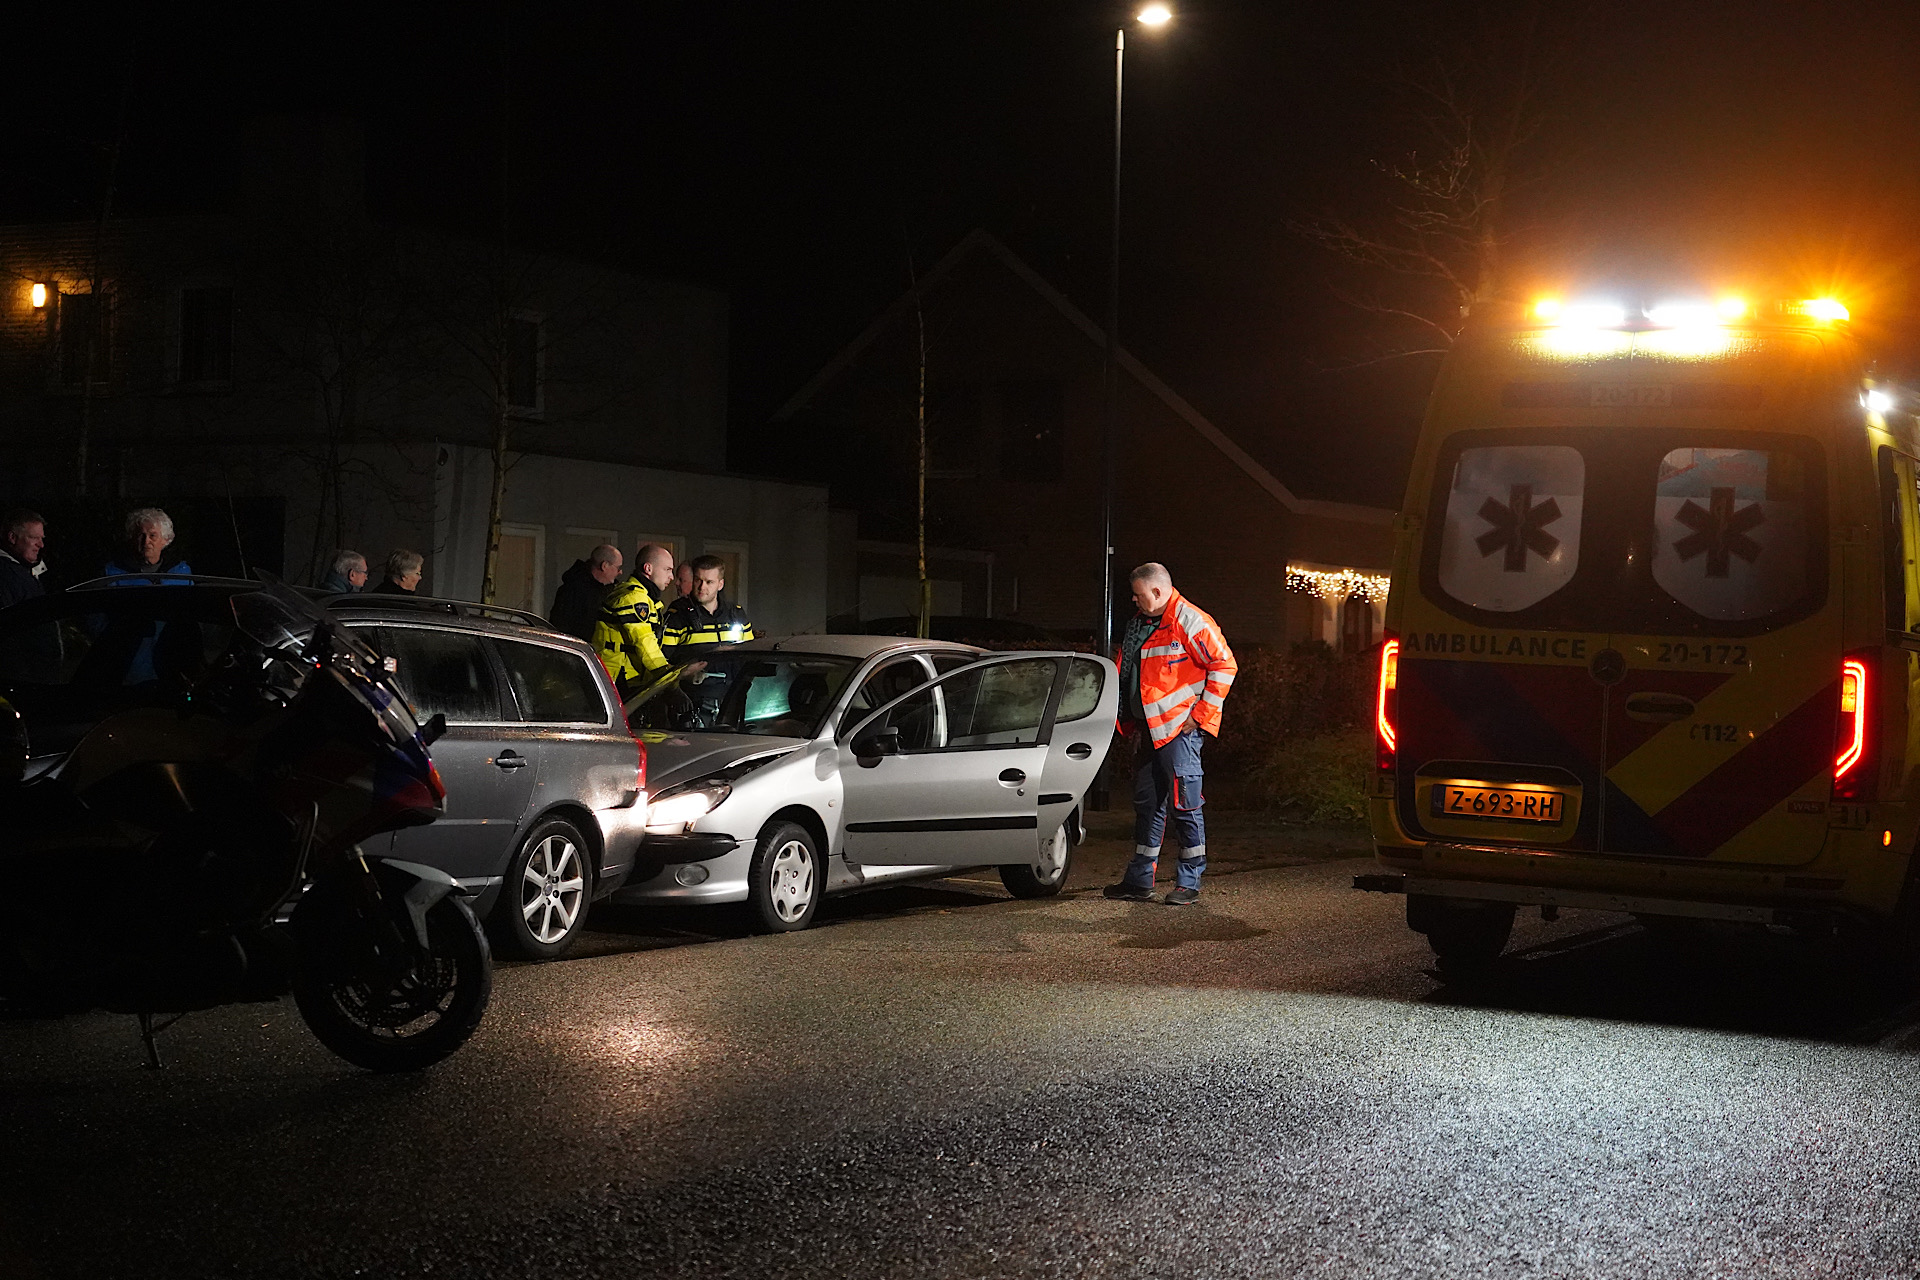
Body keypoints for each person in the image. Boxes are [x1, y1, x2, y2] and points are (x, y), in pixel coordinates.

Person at [1103, 562, 1237, 907]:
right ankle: (1139, 881)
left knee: (1185, 805)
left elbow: (1225, 665)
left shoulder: (1190, 620)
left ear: (1157, 591)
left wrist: (1200, 716)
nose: (1134, 600)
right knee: (1148, 805)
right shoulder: (1143, 623)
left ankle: (1188, 881)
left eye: (1138, 594)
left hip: (1178, 731)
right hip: (1151, 729)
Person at [591, 542, 676, 699]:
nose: (671, 576)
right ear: (648, 569)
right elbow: (645, 643)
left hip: (621, 679)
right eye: (667, 570)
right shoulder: (634, 598)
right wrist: (669, 680)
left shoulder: (639, 596)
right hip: (618, 680)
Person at [662, 555, 755, 654]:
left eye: (709, 582)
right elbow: (663, 660)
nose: (702, 587)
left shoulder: (736, 614)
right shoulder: (678, 615)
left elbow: (751, 655)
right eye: (698, 580)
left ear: (720, 584)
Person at [551, 543, 623, 641]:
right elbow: (560, 627)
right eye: (618, 568)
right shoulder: (572, 591)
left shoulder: (612, 591)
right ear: (604, 566)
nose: (620, 572)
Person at [104, 507, 190, 584]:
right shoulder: (113, 573)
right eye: (140, 535)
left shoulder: (181, 572)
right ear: (132, 538)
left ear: (165, 539)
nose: (146, 541)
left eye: (152, 535)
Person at [0, 510, 48, 610]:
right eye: (34, 538)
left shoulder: (25, 569)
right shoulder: (6, 574)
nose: (41, 545)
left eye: (41, 538)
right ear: (12, 537)